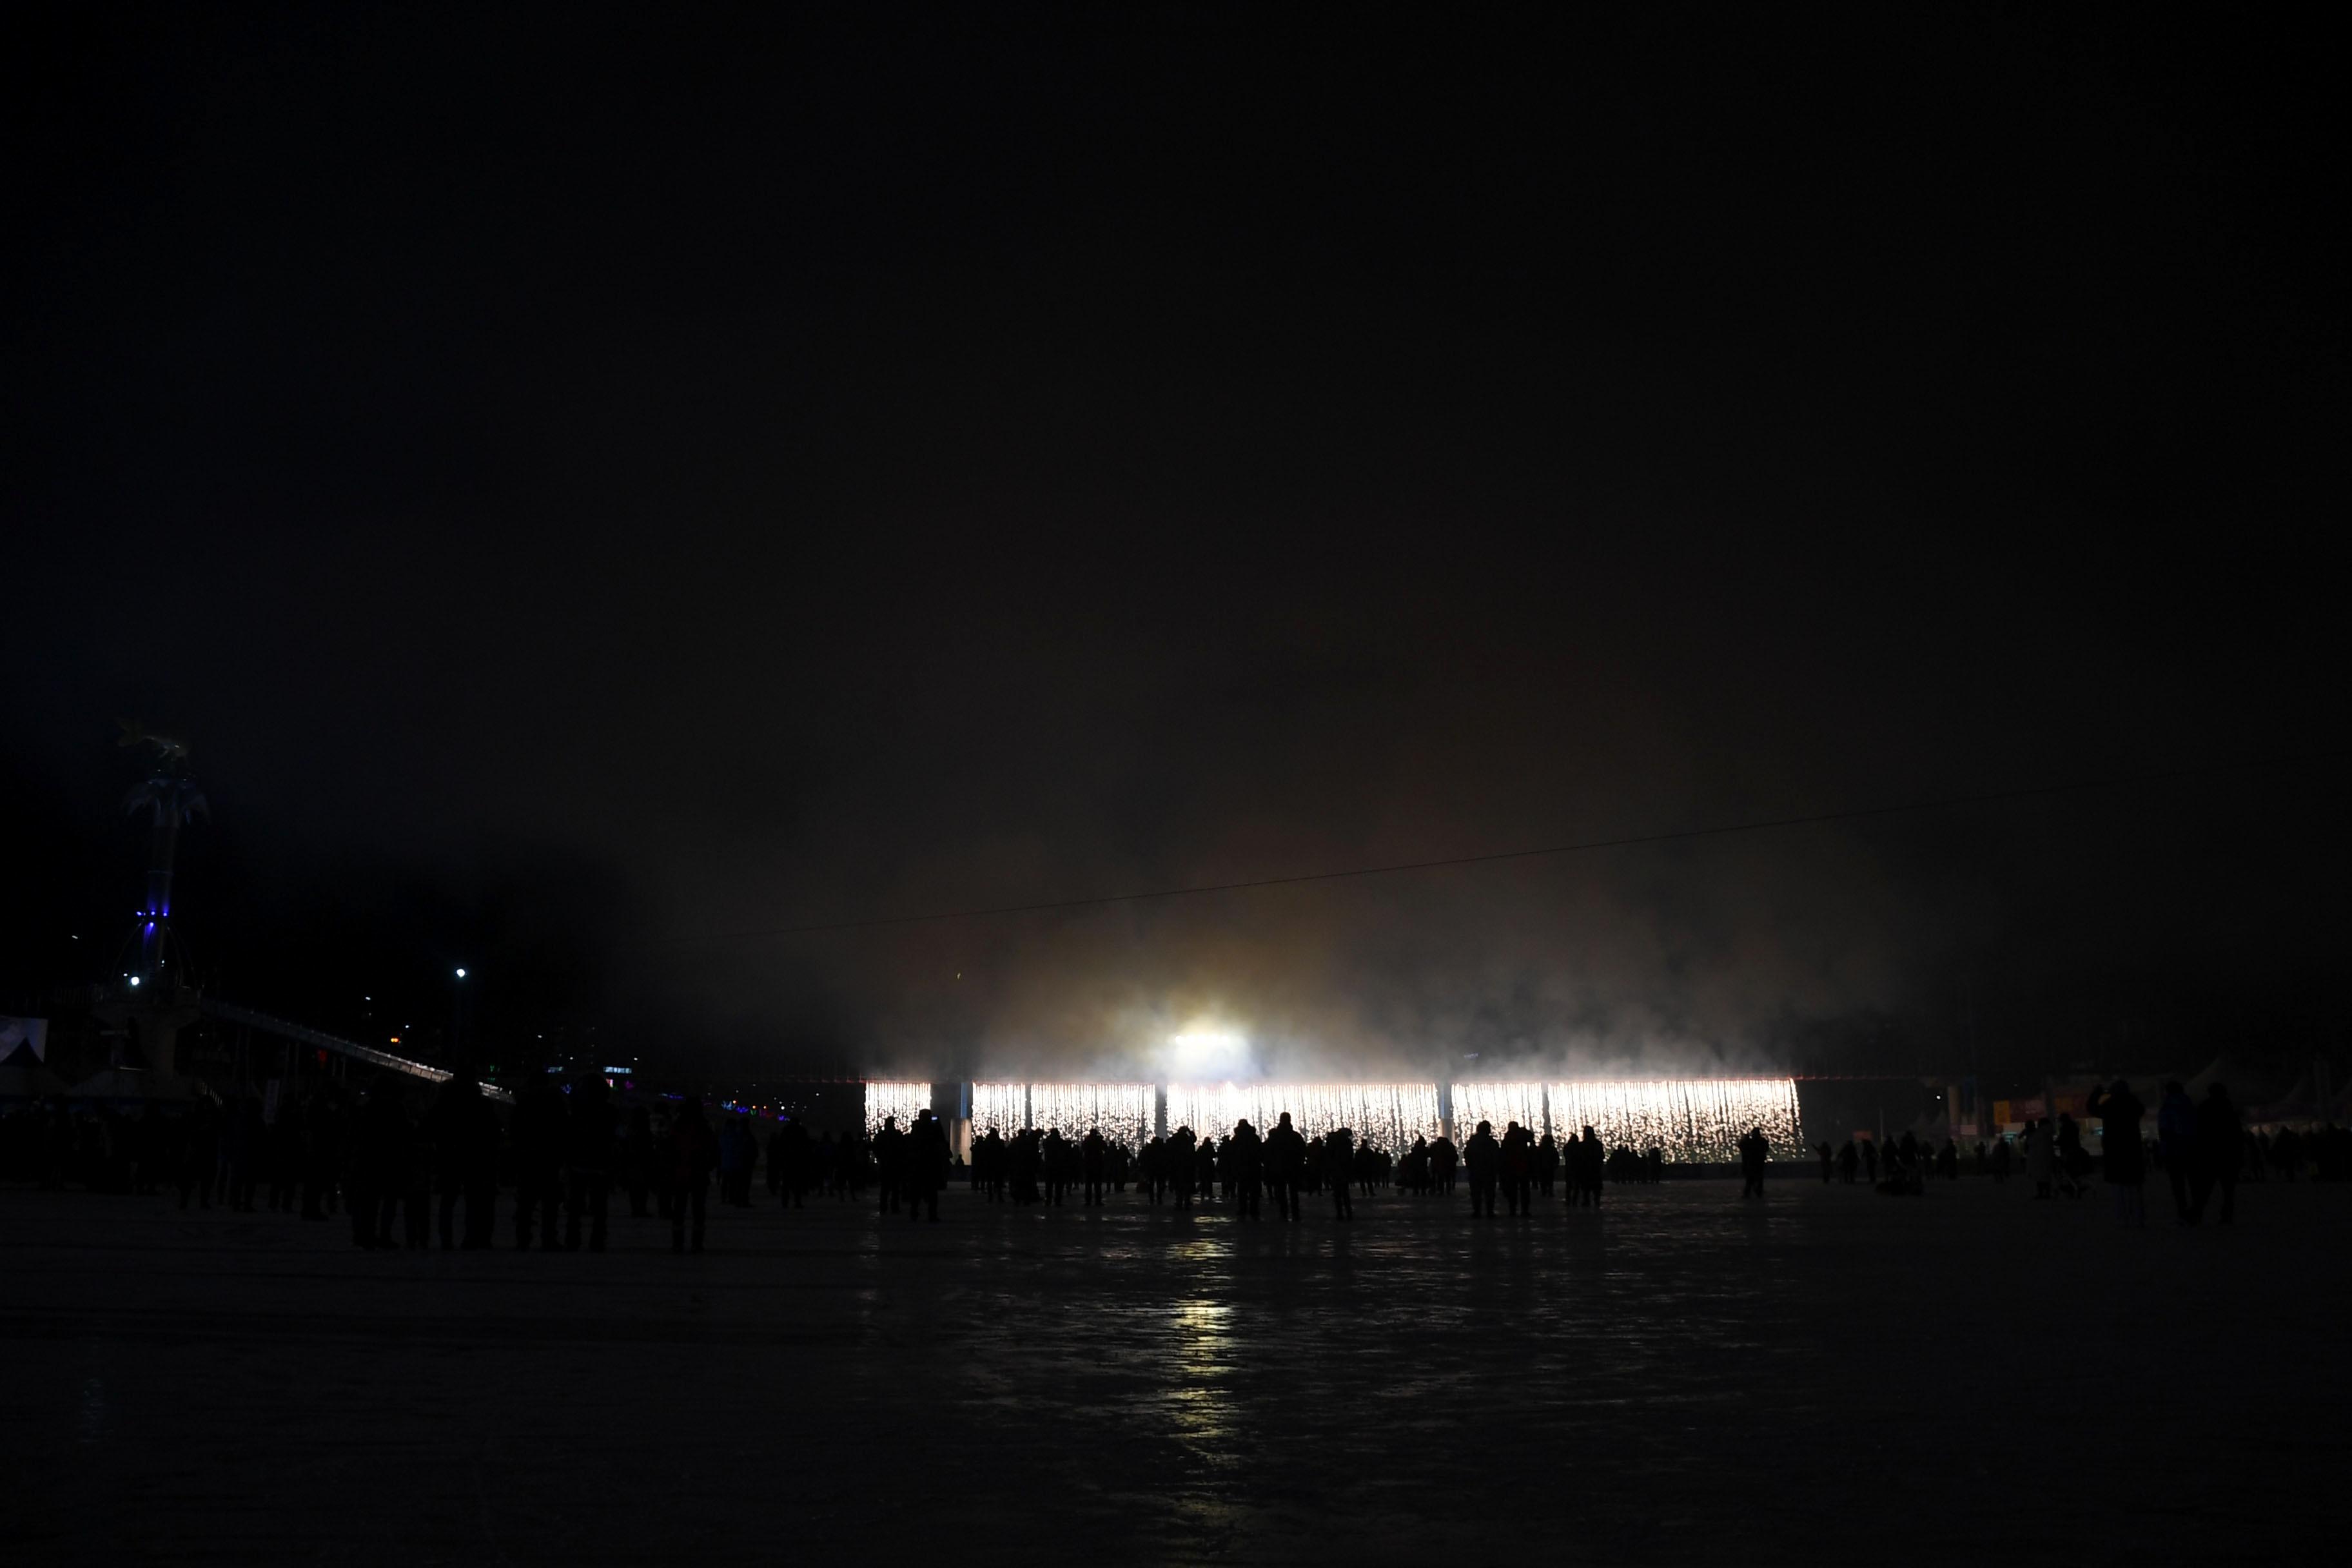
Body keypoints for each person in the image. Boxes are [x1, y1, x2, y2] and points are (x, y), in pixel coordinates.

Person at [509, 1075, 565, 1251]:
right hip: (549, 1156)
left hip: (527, 1157)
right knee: (550, 1203)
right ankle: (549, 1238)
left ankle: (523, 1238)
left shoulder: (523, 1104)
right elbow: (564, 1129)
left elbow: (514, 1130)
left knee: (526, 1202)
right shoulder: (555, 1104)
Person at [565, 1075, 616, 1251]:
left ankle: (572, 1238)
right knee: (600, 1205)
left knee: (576, 1204)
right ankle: (598, 1239)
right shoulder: (609, 1111)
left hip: (579, 1161)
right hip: (601, 1162)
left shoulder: (577, 1111)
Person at [2086, 1079, 2146, 1226]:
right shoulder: (2134, 1105)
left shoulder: (2110, 1106)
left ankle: (2122, 1217)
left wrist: (2097, 1093)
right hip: (2133, 1148)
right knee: (2134, 1186)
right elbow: (2141, 1109)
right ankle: (2138, 1217)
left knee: (2118, 1187)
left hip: (2114, 1150)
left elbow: (2092, 1108)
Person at [669, 1097, 719, 1253]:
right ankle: (697, 1243)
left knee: (679, 1209)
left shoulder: (677, 1126)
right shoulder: (704, 1127)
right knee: (698, 1210)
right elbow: (713, 1150)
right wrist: (708, 1166)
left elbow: (670, 1150)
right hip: (699, 1174)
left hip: (680, 1174)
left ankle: (678, 1243)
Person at [2192, 1083, 2242, 1224]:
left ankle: (2197, 1214)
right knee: (2228, 1191)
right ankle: (2227, 1216)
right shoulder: (2229, 1109)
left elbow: (2199, 1132)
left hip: (2211, 1154)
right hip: (2228, 1154)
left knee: (2205, 1188)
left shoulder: (2204, 1108)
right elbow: (2237, 1134)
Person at [2157, 1080, 2199, 1224]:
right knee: (2194, 1182)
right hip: (2191, 1148)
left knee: (2178, 1184)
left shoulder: (2167, 1107)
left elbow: (2164, 1131)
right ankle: (2196, 1210)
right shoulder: (2190, 1105)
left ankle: (2183, 1211)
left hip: (2173, 1150)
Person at [906, 1108, 949, 1220]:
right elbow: (942, 1142)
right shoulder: (934, 1128)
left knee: (917, 1190)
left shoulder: (916, 1128)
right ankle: (932, 1214)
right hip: (931, 1163)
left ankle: (914, 1211)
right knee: (932, 1191)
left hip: (918, 1163)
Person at [1265, 1113, 1306, 1221]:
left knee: (1281, 1193)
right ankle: (1295, 1214)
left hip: (1279, 1168)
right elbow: (1302, 1151)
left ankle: (1283, 1214)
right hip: (1293, 1168)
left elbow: (1267, 1151)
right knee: (1294, 1193)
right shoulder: (1295, 1136)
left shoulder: (1275, 1136)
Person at [1228, 1118, 1263, 1219]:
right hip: (1254, 1167)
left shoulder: (1237, 1139)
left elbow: (1232, 1152)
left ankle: (1243, 1209)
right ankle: (1254, 1210)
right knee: (1254, 1191)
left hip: (1241, 1167)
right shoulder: (1254, 1138)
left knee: (1242, 1190)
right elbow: (1260, 1151)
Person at [1464, 1119, 1500, 1217]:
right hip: (1489, 1171)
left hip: (1476, 1170)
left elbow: (1468, 1154)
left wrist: (1470, 1165)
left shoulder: (1472, 1142)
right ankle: (1489, 1211)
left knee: (1476, 1192)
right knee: (1490, 1192)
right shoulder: (1492, 1142)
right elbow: (1497, 1156)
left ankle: (1477, 1211)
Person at [1324, 1126, 1354, 1219]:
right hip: (1343, 1169)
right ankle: (1348, 1213)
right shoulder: (1346, 1142)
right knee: (1345, 1193)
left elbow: (1328, 1156)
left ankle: (1340, 1213)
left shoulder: (1332, 1141)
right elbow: (1350, 1156)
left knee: (1337, 1194)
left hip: (1335, 1170)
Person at [1738, 1126, 1769, 1198]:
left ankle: (1750, 1193)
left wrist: (1745, 1140)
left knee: (1750, 1179)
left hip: (1752, 1163)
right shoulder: (1762, 1141)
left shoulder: (1752, 1142)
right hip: (1759, 1163)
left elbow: (1741, 1147)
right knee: (1758, 1179)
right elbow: (1766, 1149)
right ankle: (1758, 1192)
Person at [1081, 1126, 1107, 1206]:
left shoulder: (1087, 1140)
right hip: (1097, 1164)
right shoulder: (1099, 1141)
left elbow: (1082, 1149)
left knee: (1088, 1185)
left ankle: (1088, 1201)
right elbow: (1105, 1148)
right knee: (1097, 1185)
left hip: (1088, 1164)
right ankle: (1098, 1201)